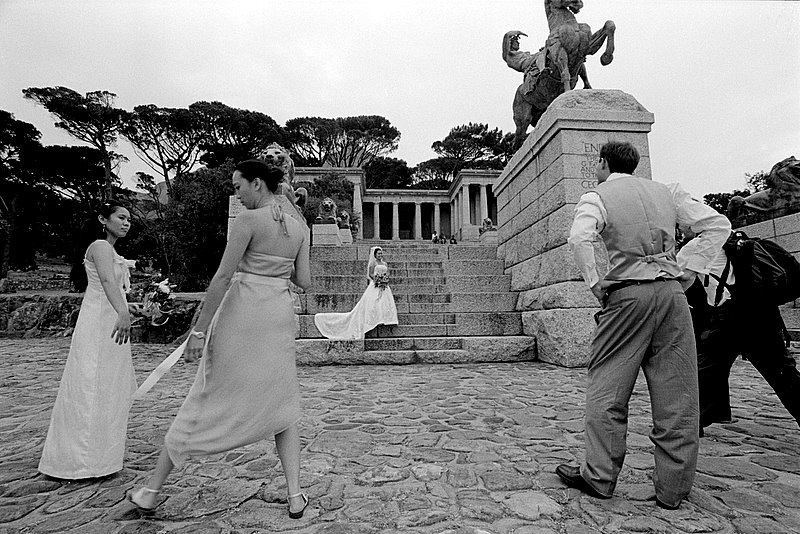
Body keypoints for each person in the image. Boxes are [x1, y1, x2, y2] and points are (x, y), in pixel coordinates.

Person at [128, 160, 312, 519]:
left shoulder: (247, 221)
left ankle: (151, 490)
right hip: (277, 316)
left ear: (258, 184)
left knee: (205, 394)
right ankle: (295, 495)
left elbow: (223, 276)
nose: (236, 194)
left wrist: (199, 329)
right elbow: (303, 280)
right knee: (282, 401)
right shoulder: (300, 228)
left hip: (242, 313)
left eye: (238, 186)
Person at [558, 141, 730, 510]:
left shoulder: (597, 197)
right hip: (671, 295)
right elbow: (718, 225)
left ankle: (599, 476)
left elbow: (580, 237)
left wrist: (595, 282)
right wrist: (688, 267)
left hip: (627, 296)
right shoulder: (668, 192)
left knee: (608, 388)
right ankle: (673, 489)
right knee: (679, 395)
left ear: (603, 163)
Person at [39, 201, 137, 479]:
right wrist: (122, 312)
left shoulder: (110, 249)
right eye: (121, 217)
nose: (126, 222)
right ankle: (81, 461)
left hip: (107, 315)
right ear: (103, 219)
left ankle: (100, 458)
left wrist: (131, 307)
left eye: (129, 218)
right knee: (91, 383)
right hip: (100, 319)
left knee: (105, 384)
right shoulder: (101, 247)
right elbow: (106, 282)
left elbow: (114, 286)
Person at [682, 245, 800, 433]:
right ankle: (697, 421)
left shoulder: (696, 247)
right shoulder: (735, 243)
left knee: (705, 370)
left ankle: (692, 423)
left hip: (729, 320)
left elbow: (681, 281)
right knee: (783, 374)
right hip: (761, 315)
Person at [314, 246, 398, 339]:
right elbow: (370, 274)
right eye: (378, 253)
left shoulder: (385, 263)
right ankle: (374, 320)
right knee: (373, 302)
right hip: (375, 284)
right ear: (375, 255)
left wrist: (385, 280)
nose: (380, 255)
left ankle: (385, 318)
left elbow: (387, 273)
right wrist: (377, 280)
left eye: (381, 253)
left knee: (385, 302)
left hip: (384, 286)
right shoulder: (373, 264)